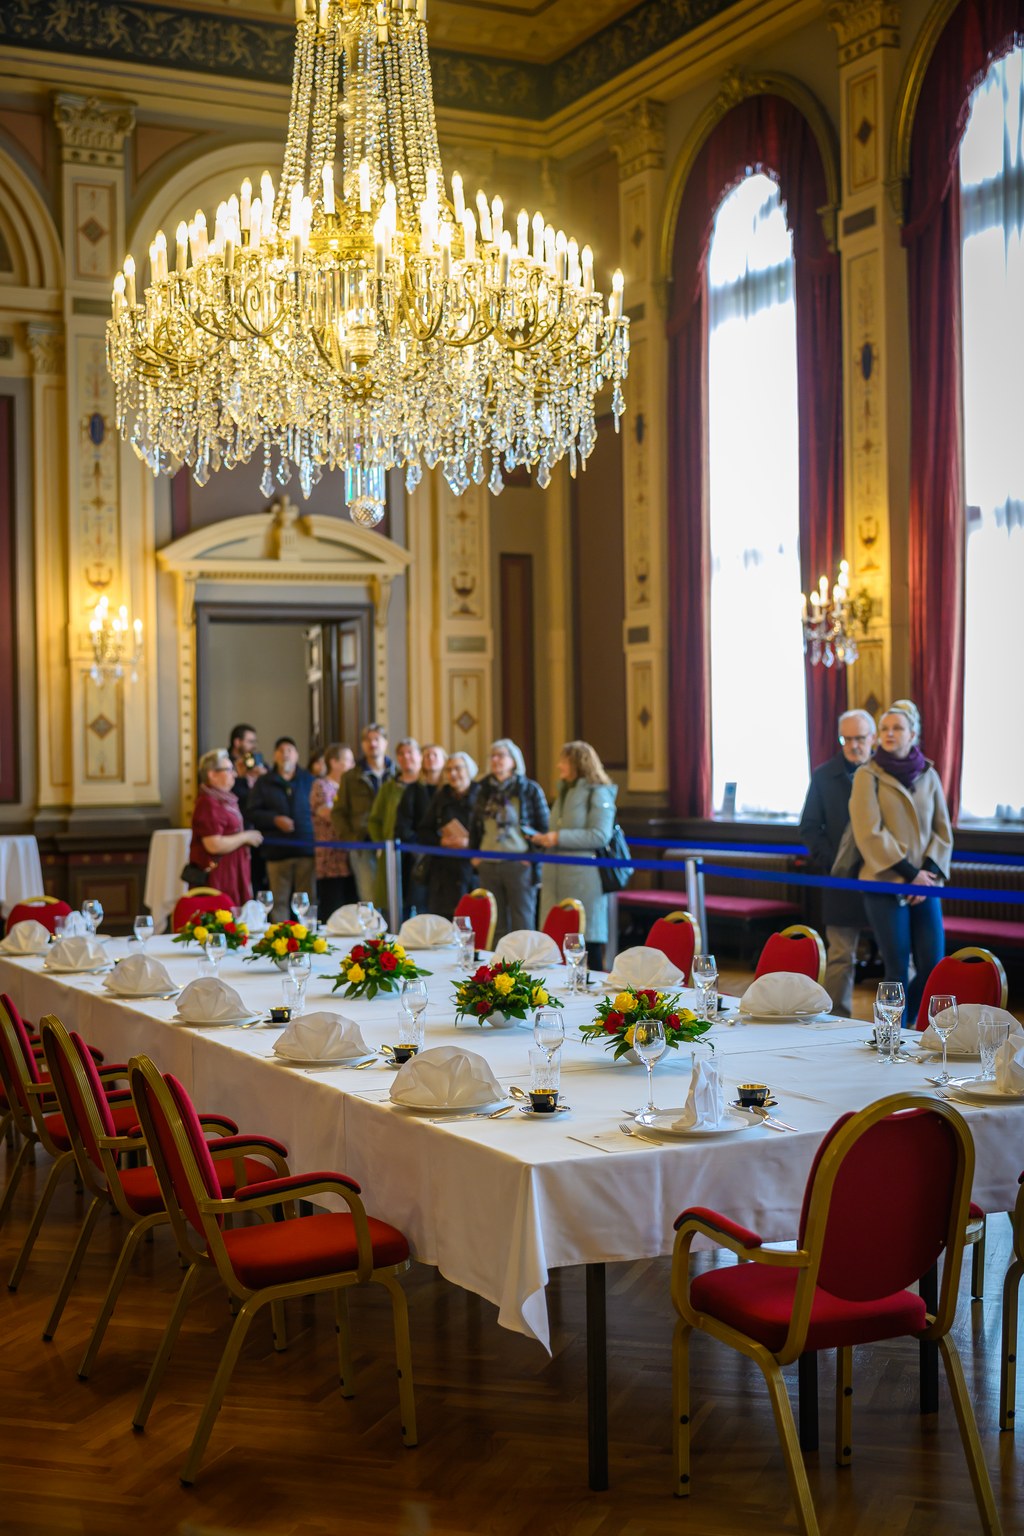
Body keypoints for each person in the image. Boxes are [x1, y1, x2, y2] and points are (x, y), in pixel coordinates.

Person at [849, 699, 952, 1026]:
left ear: (913, 734)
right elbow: (869, 832)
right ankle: (892, 1037)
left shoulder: (928, 773)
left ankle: (917, 1030)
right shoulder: (867, 775)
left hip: (926, 885)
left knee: (933, 963)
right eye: (884, 729)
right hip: (885, 882)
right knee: (895, 968)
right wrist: (911, 875)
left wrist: (928, 875)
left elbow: (942, 830)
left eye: (897, 728)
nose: (889, 734)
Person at [797, 709, 876, 1016]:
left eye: (861, 738)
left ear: (872, 738)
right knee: (841, 955)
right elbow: (809, 827)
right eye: (848, 738)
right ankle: (837, 1022)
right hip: (840, 880)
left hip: (883, 878)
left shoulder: (886, 775)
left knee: (901, 958)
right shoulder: (824, 775)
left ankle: (902, 1029)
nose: (855, 745)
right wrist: (832, 863)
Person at [532, 741, 617, 970]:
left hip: (584, 878)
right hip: (555, 877)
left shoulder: (597, 793)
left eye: (564, 760)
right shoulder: (564, 791)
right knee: (556, 942)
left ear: (578, 763)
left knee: (586, 942)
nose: (559, 765)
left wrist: (558, 838)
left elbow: (600, 835)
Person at [469, 739, 549, 939]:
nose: (496, 760)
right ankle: (498, 966)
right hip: (488, 862)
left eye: (501, 755)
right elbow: (475, 825)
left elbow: (544, 826)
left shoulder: (529, 789)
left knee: (522, 919)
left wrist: (531, 858)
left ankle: (525, 965)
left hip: (519, 863)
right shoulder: (482, 789)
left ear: (513, 761)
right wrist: (474, 855)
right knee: (495, 923)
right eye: (492, 756)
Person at [246, 736, 316, 919]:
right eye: (281, 751)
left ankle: (308, 940)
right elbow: (252, 812)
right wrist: (274, 819)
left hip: (305, 849)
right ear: (275, 756)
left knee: (307, 901)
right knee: (279, 901)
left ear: (297, 755)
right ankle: (280, 941)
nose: (286, 755)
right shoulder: (264, 782)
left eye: (290, 751)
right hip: (277, 851)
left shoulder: (308, 780)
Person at [188, 749, 264, 908]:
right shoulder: (208, 802)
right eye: (229, 770)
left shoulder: (223, 799)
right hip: (219, 877)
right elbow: (213, 844)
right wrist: (245, 837)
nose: (234, 774)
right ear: (212, 774)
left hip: (232, 872)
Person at [331, 722, 394, 903]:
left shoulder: (396, 773)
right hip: (363, 843)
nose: (372, 744)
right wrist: (351, 839)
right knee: (369, 896)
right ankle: (374, 932)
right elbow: (338, 812)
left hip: (392, 844)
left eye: (376, 739)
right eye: (367, 740)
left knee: (394, 896)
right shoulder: (350, 777)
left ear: (385, 742)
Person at [416, 753, 480, 920]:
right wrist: (440, 840)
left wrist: (468, 842)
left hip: (472, 870)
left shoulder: (481, 795)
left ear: (469, 770)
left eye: (458, 769)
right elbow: (424, 830)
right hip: (443, 873)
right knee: (442, 923)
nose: (452, 774)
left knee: (471, 923)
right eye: (448, 770)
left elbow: (490, 833)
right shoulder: (441, 796)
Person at [367, 738, 424, 916]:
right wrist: (383, 844)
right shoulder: (389, 787)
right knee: (394, 901)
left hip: (421, 851)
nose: (406, 757)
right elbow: (374, 819)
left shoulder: (426, 784)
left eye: (410, 752)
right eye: (401, 753)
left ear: (419, 756)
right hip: (394, 851)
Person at [394, 742, 447, 915]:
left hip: (448, 855)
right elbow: (403, 824)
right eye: (426, 756)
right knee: (419, 904)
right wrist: (419, 845)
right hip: (420, 855)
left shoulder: (449, 791)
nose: (430, 759)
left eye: (435, 755)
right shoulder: (413, 790)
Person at [310, 742, 356, 920]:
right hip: (330, 858)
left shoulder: (350, 788)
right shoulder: (321, 786)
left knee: (351, 906)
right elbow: (329, 814)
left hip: (350, 855)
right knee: (332, 906)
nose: (352, 766)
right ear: (334, 762)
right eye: (348, 761)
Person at [228, 722, 268, 893]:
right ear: (238, 742)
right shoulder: (225, 765)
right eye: (250, 741)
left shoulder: (258, 763)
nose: (254, 746)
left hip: (259, 831)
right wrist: (240, 778)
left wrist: (265, 778)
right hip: (234, 834)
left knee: (259, 881)